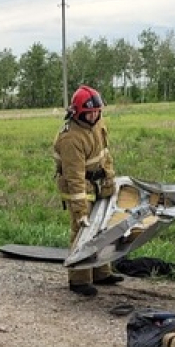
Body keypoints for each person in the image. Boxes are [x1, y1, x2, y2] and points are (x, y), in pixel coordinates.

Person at [53, 85, 124, 296]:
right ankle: (79, 279)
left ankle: (102, 272)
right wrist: (81, 211)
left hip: (98, 183)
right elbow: (74, 178)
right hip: (79, 187)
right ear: (77, 113)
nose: (93, 115)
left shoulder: (98, 124)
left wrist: (109, 180)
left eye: (96, 111)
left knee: (103, 228)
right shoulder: (71, 138)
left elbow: (105, 154)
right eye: (88, 113)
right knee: (82, 231)